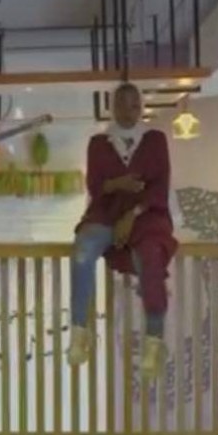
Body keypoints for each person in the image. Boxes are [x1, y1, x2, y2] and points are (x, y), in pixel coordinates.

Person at [68, 82, 178, 378]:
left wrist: (134, 213)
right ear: (111, 107)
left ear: (141, 107)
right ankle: (79, 330)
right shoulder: (98, 143)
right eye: (121, 104)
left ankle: (154, 340)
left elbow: (159, 186)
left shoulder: (155, 140)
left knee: (150, 256)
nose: (128, 112)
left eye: (134, 105)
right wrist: (118, 184)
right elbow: (95, 186)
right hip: (105, 214)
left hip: (147, 215)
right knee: (82, 252)